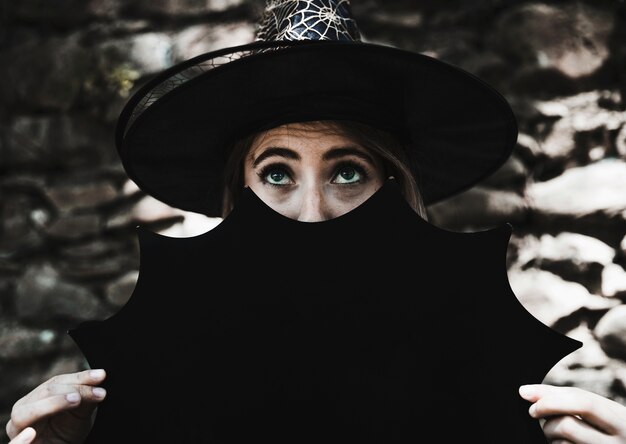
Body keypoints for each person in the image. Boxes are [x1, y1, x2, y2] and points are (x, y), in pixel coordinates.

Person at [6, 1, 626, 443]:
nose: (312, 210)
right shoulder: (158, 376)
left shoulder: (482, 371)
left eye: (348, 172)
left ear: (393, 184)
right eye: (277, 173)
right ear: (237, 191)